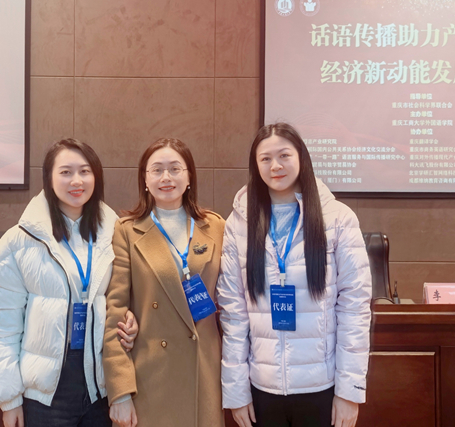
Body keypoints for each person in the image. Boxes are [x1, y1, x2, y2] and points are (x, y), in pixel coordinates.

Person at [0, 139, 138, 427]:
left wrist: (131, 319)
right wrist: (9, 400)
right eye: (65, 172)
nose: (76, 181)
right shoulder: (21, 240)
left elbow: (124, 298)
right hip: (45, 396)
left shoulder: (116, 234)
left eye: (85, 171)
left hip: (101, 388)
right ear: (48, 178)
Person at [217, 123, 371, 427]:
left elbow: (354, 309)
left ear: (301, 157)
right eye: (265, 158)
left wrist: (349, 392)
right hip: (262, 388)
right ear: (255, 165)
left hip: (322, 388)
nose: (275, 166)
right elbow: (233, 312)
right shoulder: (240, 223)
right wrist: (236, 392)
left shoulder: (338, 219)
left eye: (284, 155)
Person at [104, 138, 226, 427]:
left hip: (204, 374)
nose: (166, 177)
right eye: (157, 170)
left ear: (189, 176)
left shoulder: (216, 226)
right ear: (145, 180)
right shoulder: (127, 231)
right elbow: (115, 312)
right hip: (149, 378)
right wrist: (120, 391)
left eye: (175, 168)